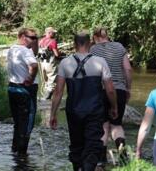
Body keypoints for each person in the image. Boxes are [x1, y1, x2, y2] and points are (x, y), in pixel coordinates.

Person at [49, 31, 118, 171]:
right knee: (93, 144)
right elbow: (110, 89)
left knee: (76, 144)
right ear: (90, 43)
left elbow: (58, 92)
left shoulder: (65, 63)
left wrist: (53, 114)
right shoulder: (100, 62)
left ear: (74, 44)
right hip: (94, 110)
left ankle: (78, 167)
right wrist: (114, 106)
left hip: (73, 110)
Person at [90, 27, 133, 165]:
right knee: (117, 124)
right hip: (119, 89)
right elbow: (127, 69)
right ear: (107, 36)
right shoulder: (119, 47)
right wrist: (128, 88)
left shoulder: (93, 50)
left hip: (100, 91)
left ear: (95, 37)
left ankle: (101, 160)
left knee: (103, 125)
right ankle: (123, 158)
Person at [7, 28, 39, 156]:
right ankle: (22, 154)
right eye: (32, 37)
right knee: (27, 124)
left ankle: (15, 150)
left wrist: (35, 41)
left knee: (18, 123)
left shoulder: (12, 49)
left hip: (12, 88)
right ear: (22, 36)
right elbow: (34, 65)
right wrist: (30, 78)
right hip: (25, 90)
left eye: (35, 38)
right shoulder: (25, 51)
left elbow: (34, 54)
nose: (34, 40)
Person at [37, 27, 60, 99]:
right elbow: (56, 54)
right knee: (52, 79)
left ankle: (44, 95)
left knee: (45, 80)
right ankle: (48, 97)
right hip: (50, 63)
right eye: (53, 32)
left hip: (41, 63)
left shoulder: (40, 41)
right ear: (49, 33)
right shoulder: (53, 41)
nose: (55, 34)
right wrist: (60, 54)